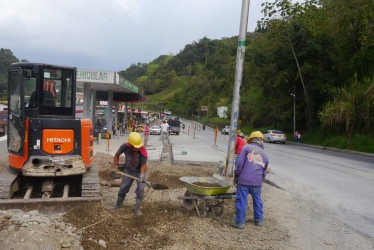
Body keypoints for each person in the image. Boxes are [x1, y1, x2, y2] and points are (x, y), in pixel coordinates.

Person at [232, 131, 269, 229]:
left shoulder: (246, 148)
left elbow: (239, 164)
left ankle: (240, 222)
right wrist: (260, 180)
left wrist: (236, 174)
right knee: (257, 200)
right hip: (257, 183)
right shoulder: (265, 154)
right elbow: (264, 172)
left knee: (241, 200)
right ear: (262, 141)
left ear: (251, 140)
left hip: (244, 181)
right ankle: (259, 220)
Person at [112, 132, 148, 216]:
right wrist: (115, 166)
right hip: (128, 170)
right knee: (123, 187)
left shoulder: (142, 150)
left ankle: (137, 210)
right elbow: (117, 155)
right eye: (136, 147)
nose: (138, 148)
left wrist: (142, 176)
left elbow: (143, 165)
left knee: (141, 189)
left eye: (139, 146)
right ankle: (118, 205)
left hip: (139, 171)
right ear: (131, 145)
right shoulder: (125, 146)